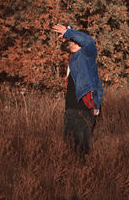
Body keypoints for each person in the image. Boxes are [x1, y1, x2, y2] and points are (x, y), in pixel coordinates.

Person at [53, 24, 103, 160]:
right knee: (75, 151)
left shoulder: (87, 54)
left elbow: (88, 41)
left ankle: (80, 176)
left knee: (77, 152)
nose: (72, 44)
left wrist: (68, 32)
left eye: (76, 41)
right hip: (73, 110)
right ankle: (80, 177)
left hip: (80, 110)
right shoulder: (75, 60)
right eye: (71, 41)